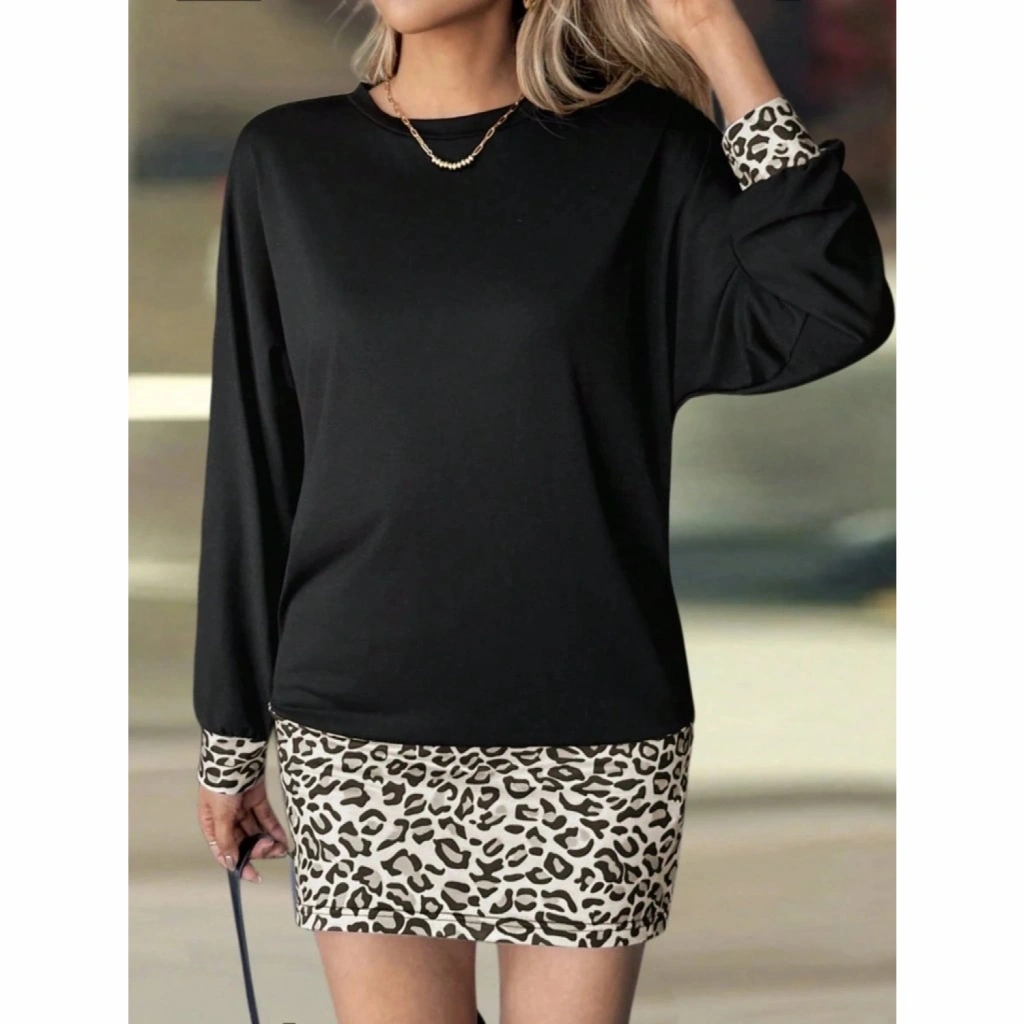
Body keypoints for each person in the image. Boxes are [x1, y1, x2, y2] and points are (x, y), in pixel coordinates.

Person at [192, 1, 895, 1022]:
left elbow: (829, 303)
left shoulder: (641, 150)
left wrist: (713, 33)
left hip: (592, 723)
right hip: (358, 724)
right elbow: (256, 457)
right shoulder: (287, 161)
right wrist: (229, 734)